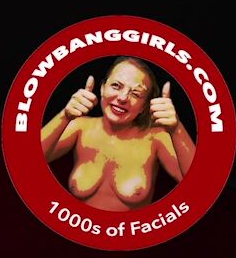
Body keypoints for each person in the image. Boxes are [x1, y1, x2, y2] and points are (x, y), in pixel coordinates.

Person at [41, 56, 197, 211]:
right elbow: (29, 161)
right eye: (116, 86)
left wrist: (176, 129)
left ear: (144, 106)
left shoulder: (156, 138)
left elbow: (200, 186)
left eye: (136, 94)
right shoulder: (80, 127)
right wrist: (64, 116)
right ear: (102, 88)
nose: (123, 98)